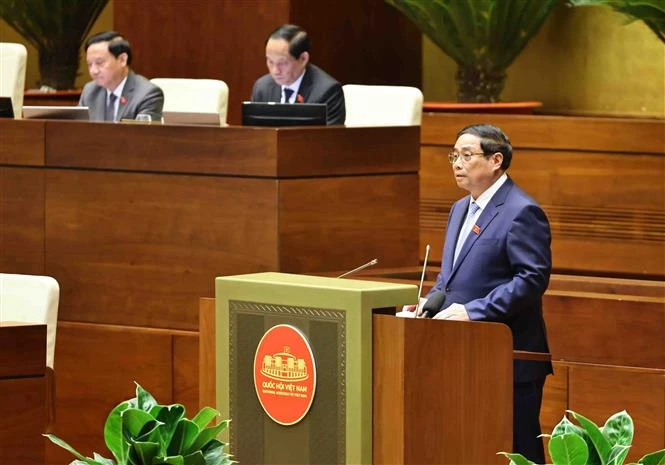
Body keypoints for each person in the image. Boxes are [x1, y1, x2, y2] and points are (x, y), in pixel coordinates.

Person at [421, 124, 552, 462]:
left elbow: (531, 279)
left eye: (467, 155)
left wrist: (473, 311)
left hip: (508, 357)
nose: (457, 163)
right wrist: (430, 304)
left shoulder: (522, 211)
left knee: (518, 448)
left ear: (496, 160)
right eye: (454, 155)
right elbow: (450, 277)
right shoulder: (459, 208)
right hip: (464, 355)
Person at [251, 24, 345, 125]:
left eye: (282, 63)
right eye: (270, 61)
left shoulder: (327, 92)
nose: (275, 71)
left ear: (303, 59)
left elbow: (328, 138)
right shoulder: (262, 88)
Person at [80, 31, 163, 122]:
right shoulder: (90, 91)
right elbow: (77, 129)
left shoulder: (147, 94)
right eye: (89, 64)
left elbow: (144, 134)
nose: (93, 71)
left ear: (122, 60)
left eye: (99, 63)